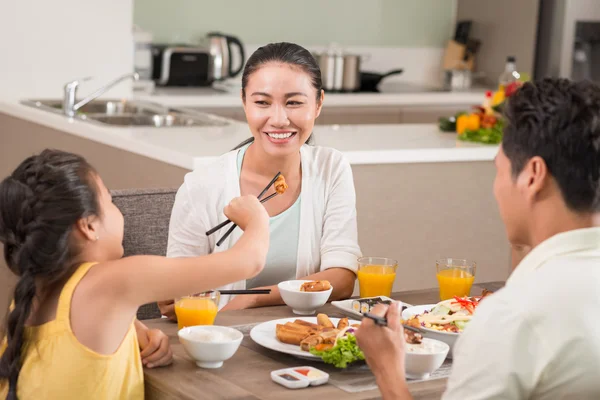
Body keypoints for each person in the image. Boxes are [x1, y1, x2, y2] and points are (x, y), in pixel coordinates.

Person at [356, 78, 600, 399]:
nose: (496, 188)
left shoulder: (513, 317)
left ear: (532, 175)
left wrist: (387, 368)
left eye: (498, 169)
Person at [0, 149, 269, 399]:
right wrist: (257, 217)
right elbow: (248, 261)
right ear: (88, 226)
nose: (118, 210)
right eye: (110, 201)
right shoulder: (113, 281)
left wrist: (136, 331)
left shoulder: (35, 289)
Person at [160, 42, 361, 316]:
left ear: (318, 104)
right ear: (244, 102)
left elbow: (341, 279)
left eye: (294, 102)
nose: (278, 119)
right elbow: (177, 290)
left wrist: (254, 298)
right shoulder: (201, 186)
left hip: (306, 338)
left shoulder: (331, 168)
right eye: (262, 102)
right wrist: (175, 293)